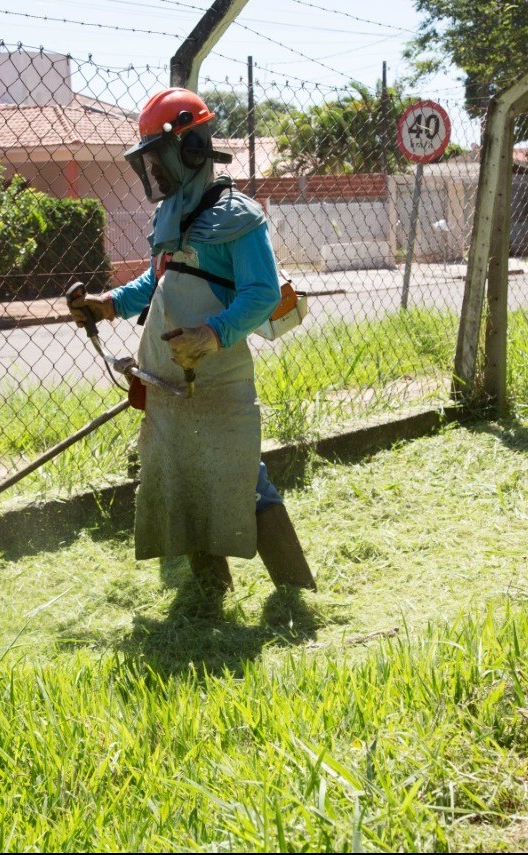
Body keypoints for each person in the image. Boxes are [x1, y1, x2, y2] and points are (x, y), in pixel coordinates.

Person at [70, 87, 316, 601]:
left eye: (158, 160)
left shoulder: (237, 216)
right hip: (167, 374)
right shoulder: (170, 215)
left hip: (217, 373)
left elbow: (261, 293)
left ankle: (296, 591)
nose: (153, 173)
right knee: (186, 475)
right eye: (149, 163)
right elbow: (159, 281)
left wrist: (213, 335)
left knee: (242, 474)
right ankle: (212, 591)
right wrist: (107, 304)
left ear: (191, 149)